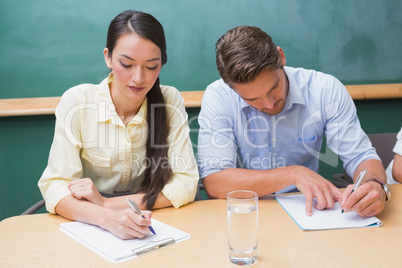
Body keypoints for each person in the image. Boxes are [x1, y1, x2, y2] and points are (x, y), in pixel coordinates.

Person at [38, 10, 199, 239]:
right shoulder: (77, 102)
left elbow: (185, 183)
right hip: (93, 224)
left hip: (155, 222)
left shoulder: (169, 101)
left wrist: (107, 204)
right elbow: (56, 187)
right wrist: (105, 218)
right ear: (108, 57)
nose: (138, 78)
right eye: (127, 64)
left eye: (151, 66)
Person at [197, 26, 388, 217]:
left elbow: (360, 156)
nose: (269, 104)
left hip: (308, 212)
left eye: (274, 87)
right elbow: (215, 182)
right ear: (232, 89)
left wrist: (374, 185)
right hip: (245, 213)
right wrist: (292, 174)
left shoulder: (326, 90)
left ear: (281, 57)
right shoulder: (219, 97)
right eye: (252, 99)